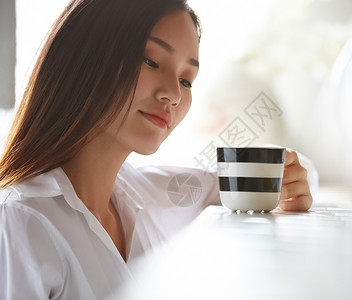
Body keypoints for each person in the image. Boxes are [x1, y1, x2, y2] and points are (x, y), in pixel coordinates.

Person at [0, 0, 316, 298]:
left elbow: (284, 176)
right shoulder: (20, 221)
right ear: (87, 57)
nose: (174, 94)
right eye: (151, 61)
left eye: (187, 79)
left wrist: (290, 175)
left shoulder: (151, 195)